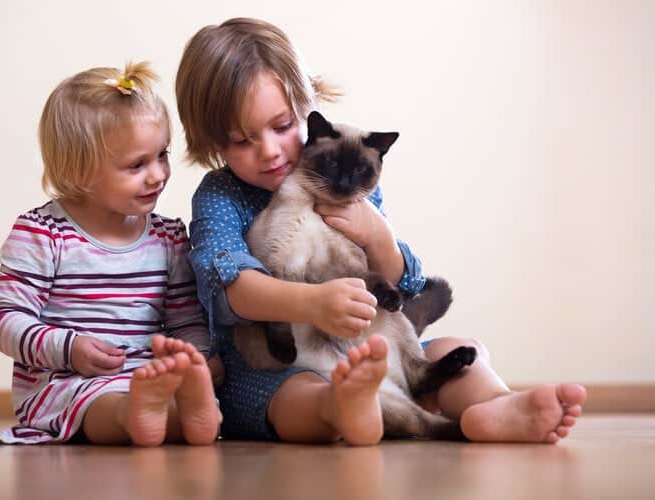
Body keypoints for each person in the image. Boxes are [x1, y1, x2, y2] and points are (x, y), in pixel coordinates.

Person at [175, 17, 587, 445]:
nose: (270, 150)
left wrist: (377, 236)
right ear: (213, 143)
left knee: (454, 349)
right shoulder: (220, 195)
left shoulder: (346, 176)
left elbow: (401, 286)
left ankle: (496, 405)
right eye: (242, 141)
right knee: (296, 395)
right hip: (279, 364)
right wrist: (312, 303)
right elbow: (230, 288)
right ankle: (346, 406)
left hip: (366, 343)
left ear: (308, 105)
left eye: (282, 126)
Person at [0, 62, 221, 446]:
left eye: (162, 154)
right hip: (66, 382)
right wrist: (68, 348)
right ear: (80, 172)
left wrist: (194, 356)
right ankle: (138, 416)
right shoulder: (43, 234)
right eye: (137, 165)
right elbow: (6, 321)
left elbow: (185, 321)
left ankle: (190, 415)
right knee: (104, 406)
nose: (158, 174)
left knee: (188, 405)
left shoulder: (168, 236)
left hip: (147, 377)